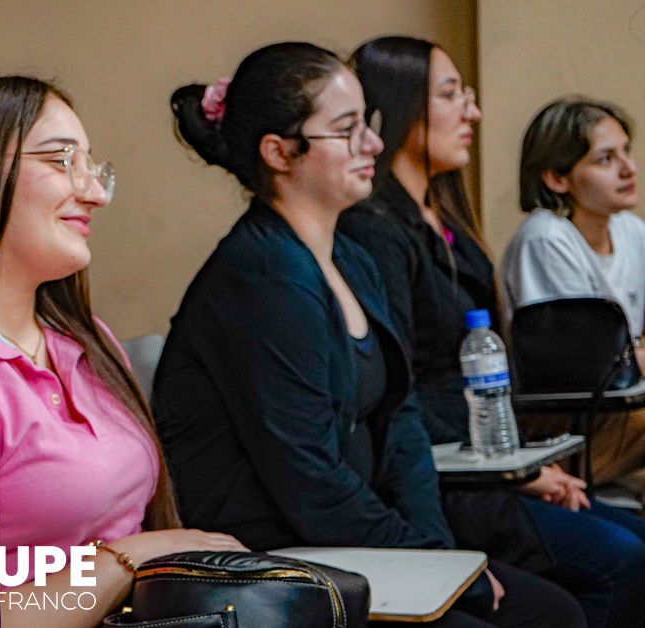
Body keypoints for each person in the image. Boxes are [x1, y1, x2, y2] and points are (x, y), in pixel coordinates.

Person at [155, 41, 585, 627]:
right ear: (280, 152)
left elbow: (399, 421)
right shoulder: (262, 278)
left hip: (347, 538)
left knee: (549, 610)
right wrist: (433, 565)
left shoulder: (351, 259)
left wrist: (441, 554)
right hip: (273, 557)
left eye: (369, 124)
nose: (374, 145)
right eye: (348, 129)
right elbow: (307, 476)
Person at [0, 75, 245, 628]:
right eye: (63, 160)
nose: (94, 192)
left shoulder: (81, 337)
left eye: (93, 167)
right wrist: (131, 558)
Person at [337, 36, 645, 628]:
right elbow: (403, 394)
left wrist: (521, 464)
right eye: (452, 95)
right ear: (401, 108)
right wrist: (519, 471)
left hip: (486, 460)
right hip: (451, 480)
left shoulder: (443, 219)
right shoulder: (377, 231)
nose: (472, 112)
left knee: (633, 542)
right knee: (623, 560)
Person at [502, 97, 645, 496]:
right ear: (556, 179)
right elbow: (592, 371)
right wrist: (633, 355)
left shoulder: (632, 230)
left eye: (626, 152)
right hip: (562, 428)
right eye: (605, 159)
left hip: (621, 411)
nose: (629, 168)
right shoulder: (545, 239)